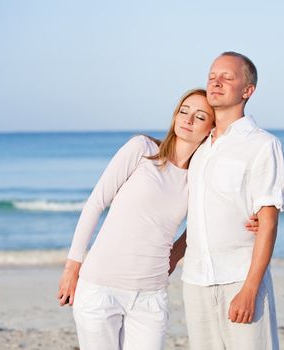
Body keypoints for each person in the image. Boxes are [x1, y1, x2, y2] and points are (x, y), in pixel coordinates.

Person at [56, 88, 216, 350]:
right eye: (184, 111)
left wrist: (173, 257)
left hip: (150, 296)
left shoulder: (199, 178)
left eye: (199, 117)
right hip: (99, 288)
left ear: (210, 129)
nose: (188, 120)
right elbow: (96, 203)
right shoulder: (142, 148)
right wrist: (72, 268)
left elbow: (202, 226)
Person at [170, 52, 284, 349]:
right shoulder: (199, 148)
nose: (216, 82)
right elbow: (199, 216)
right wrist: (174, 254)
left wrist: (250, 289)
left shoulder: (262, 145)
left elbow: (269, 223)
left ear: (247, 91)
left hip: (239, 276)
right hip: (195, 280)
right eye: (212, 76)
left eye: (227, 77)